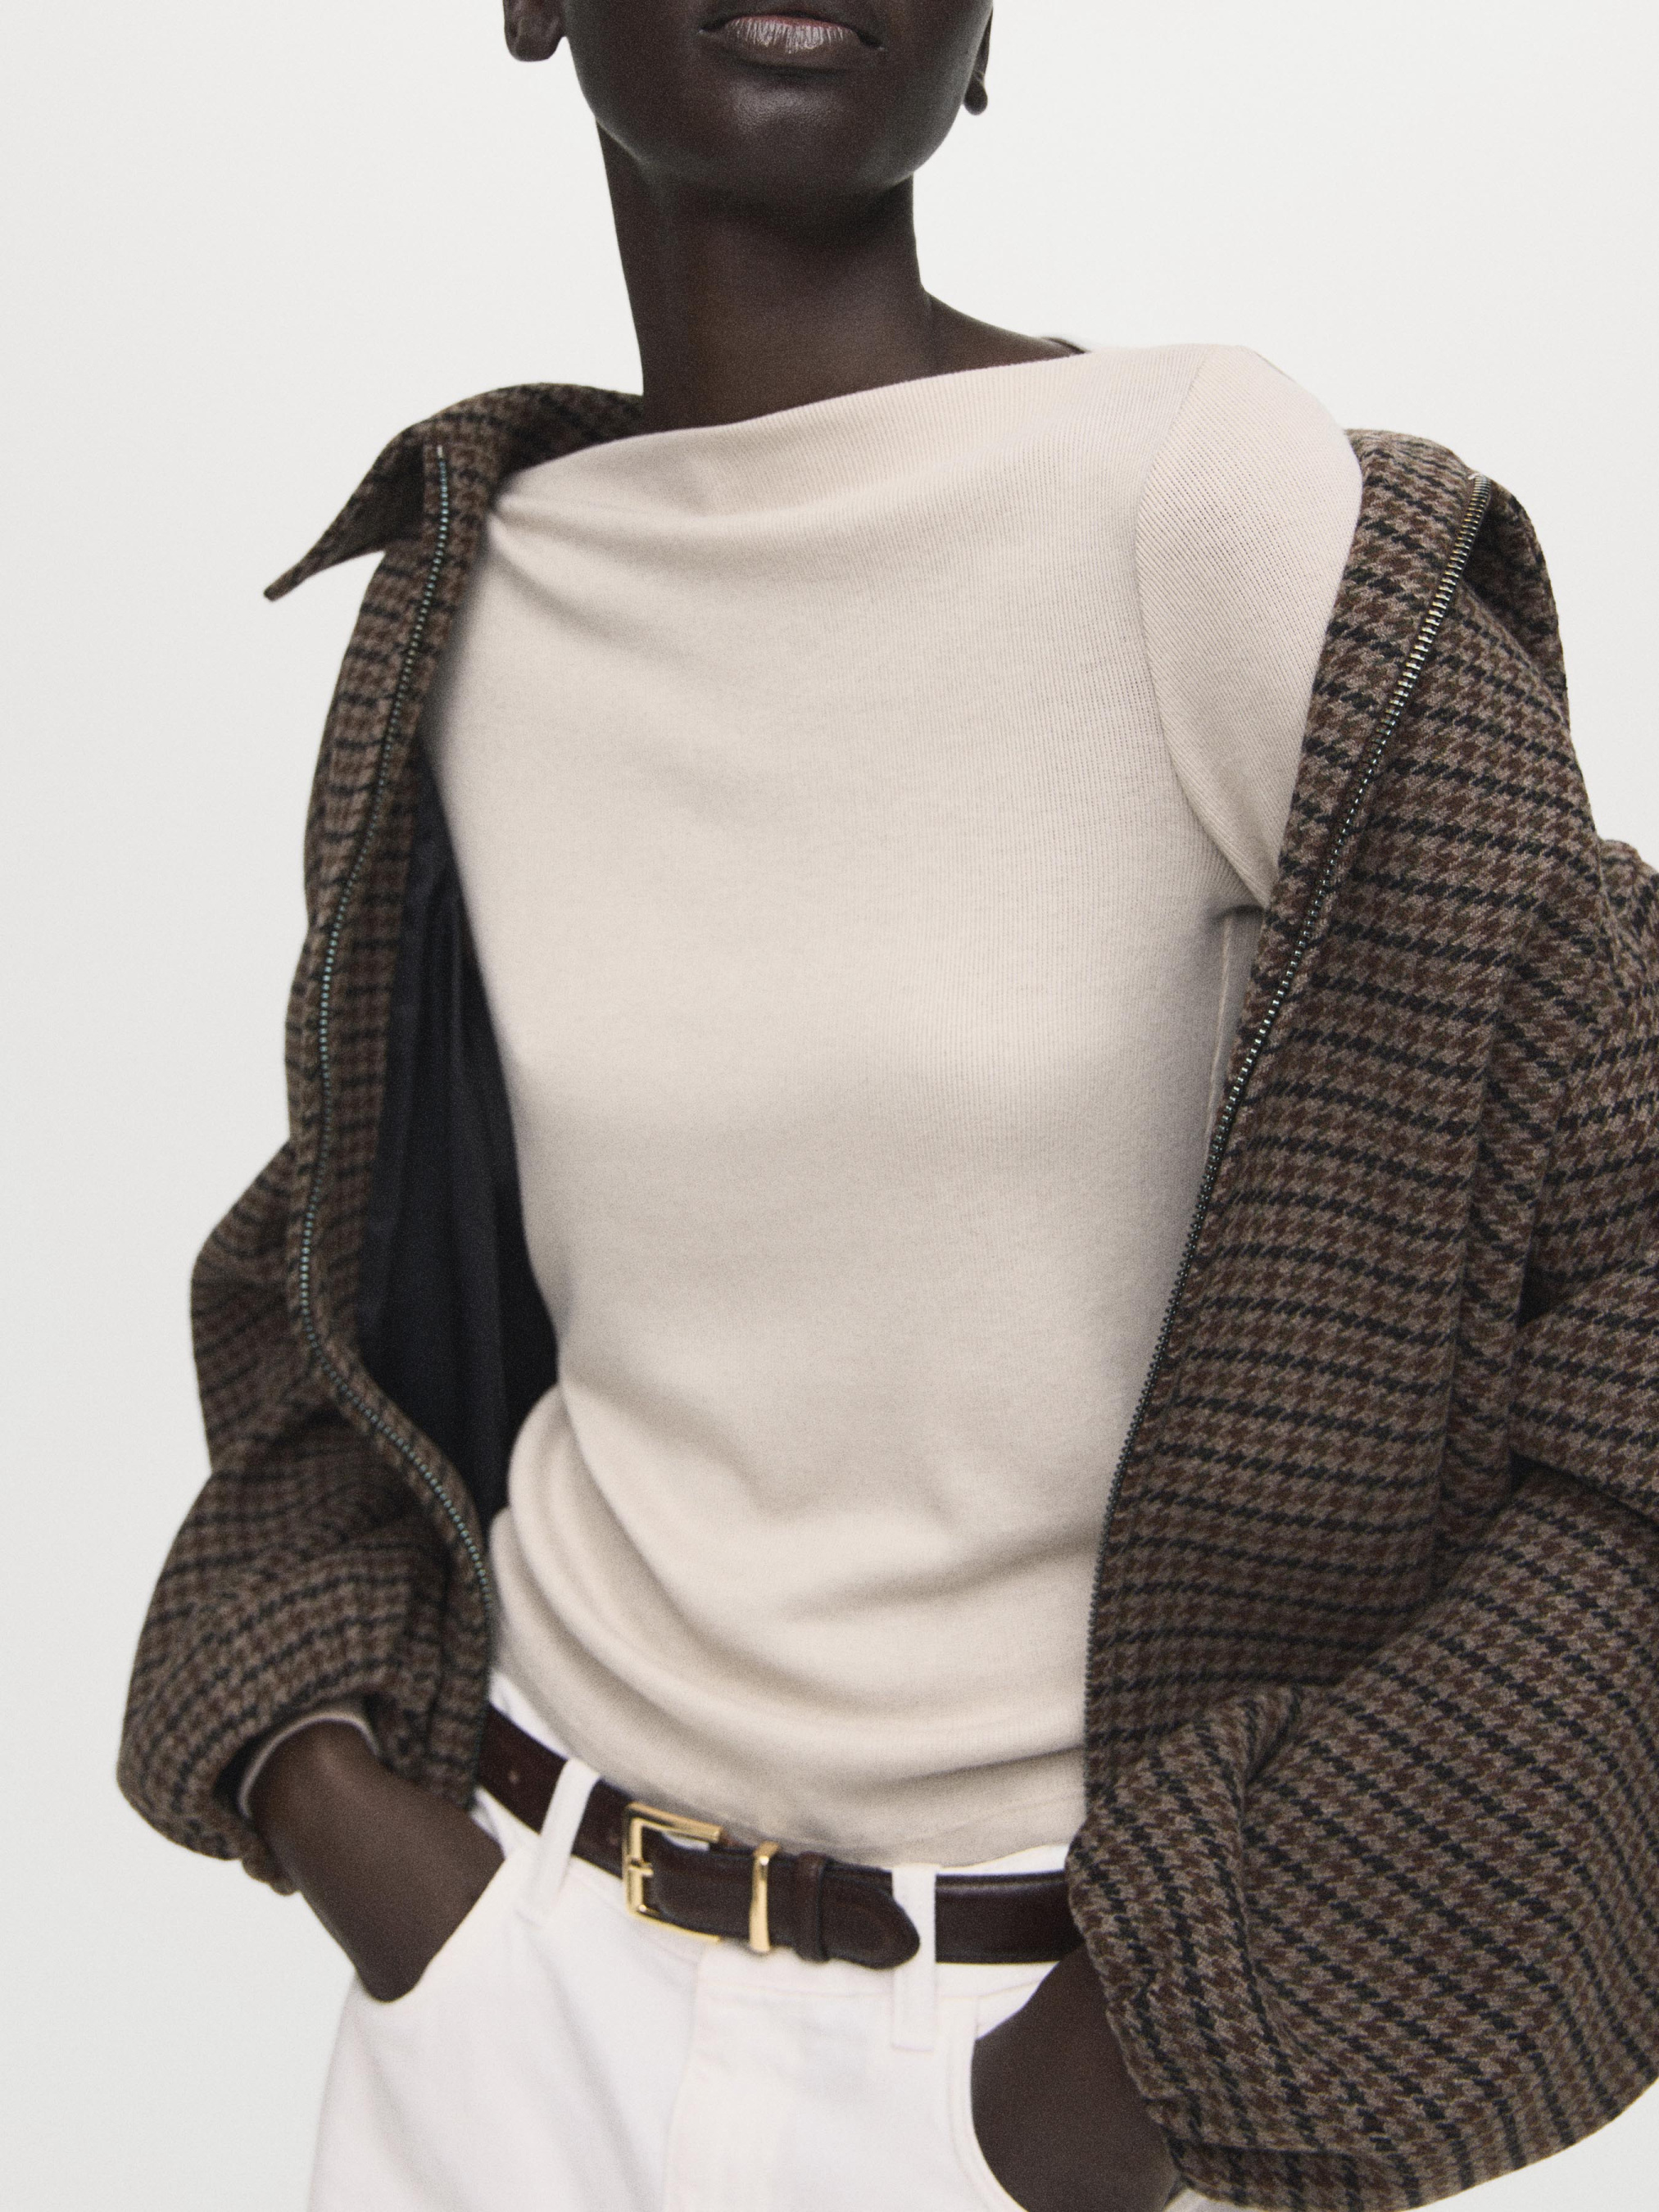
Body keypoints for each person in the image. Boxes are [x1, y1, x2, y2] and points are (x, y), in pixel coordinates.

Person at [119, 4, 1659, 2209]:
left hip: (1026, 2066)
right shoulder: (479, 598)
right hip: (501, 2007)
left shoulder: (1198, 501)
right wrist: (341, 1808)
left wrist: (1156, 2049)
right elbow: (343, 1248)